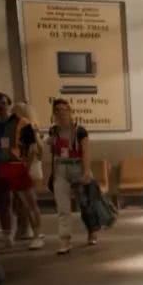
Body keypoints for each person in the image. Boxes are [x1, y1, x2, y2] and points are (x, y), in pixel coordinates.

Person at [46, 99, 97, 254]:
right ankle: (65, 240)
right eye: (57, 110)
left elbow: (86, 152)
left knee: (85, 205)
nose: (61, 113)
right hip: (61, 169)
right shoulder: (53, 131)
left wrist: (86, 172)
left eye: (64, 109)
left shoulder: (80, 131)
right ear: (54, 113)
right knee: (63, 208)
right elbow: (54, 154)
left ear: (69, 111)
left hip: (78, 167)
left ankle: (91, 231)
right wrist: (53, 173)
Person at [0, 92, 24, 248]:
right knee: (4, 201)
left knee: (24, 201)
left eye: (3, 103)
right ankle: (7, 234)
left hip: (17, 164)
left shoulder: (19, 122)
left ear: (8, 103)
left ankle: (29, 230)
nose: (0, 107)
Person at [11, 102, 45, 250]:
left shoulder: (28, 127)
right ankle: (26, 229)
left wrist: (25, 167)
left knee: (29, 203)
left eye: (14, 110)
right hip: (26, 166)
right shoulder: (21, 127)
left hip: (29, 167)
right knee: (23, 203)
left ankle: (35, 232)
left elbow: (35, 150)